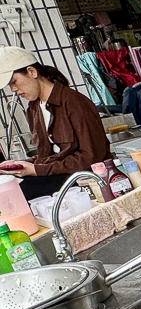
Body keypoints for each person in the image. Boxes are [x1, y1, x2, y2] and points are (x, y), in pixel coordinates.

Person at [0, 46, 112, 200]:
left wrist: (38, 170)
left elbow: (91, 157)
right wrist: (22, 165)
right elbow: (49, 156)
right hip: (59, 175)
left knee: (17, 195)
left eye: (14, 82)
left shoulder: (74, 102)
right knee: (7, 188)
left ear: (32, 72)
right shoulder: (34, 107)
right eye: (9, 86)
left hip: (84, 178)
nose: (13, 89)